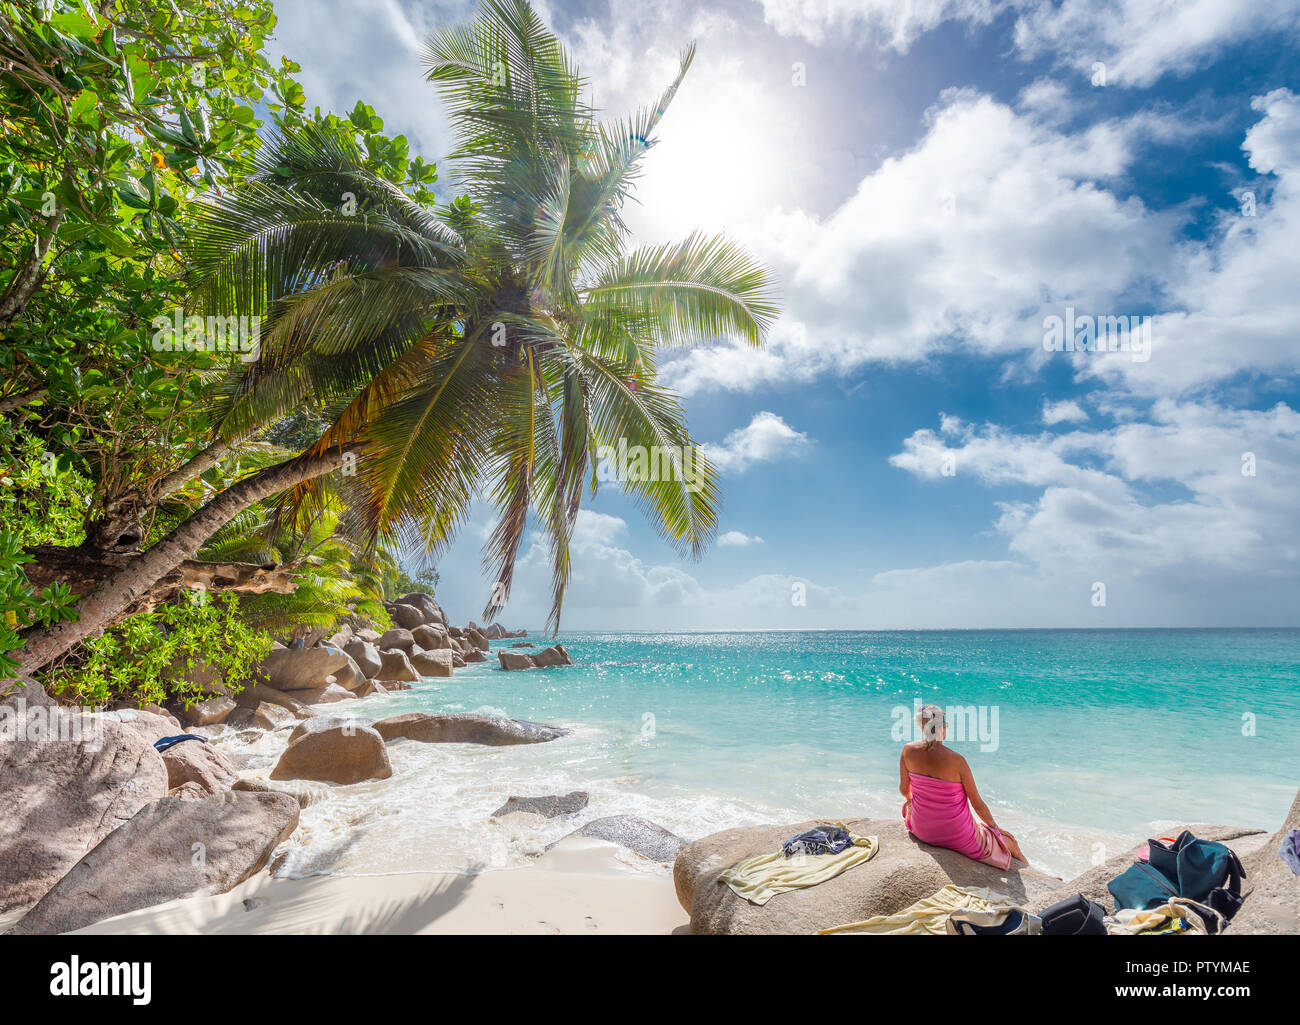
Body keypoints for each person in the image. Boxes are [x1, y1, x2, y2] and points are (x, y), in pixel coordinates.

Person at [899, 703, 1027, 867]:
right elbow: (978, 805)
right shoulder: (957, 761)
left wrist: (916, 802)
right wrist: (995, 829)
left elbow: (904, 789)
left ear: (922, 727)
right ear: (942, 728)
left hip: (922, 830)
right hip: (957, 836)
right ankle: (1044, 880)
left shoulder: (908, 750)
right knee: (1010, 842)